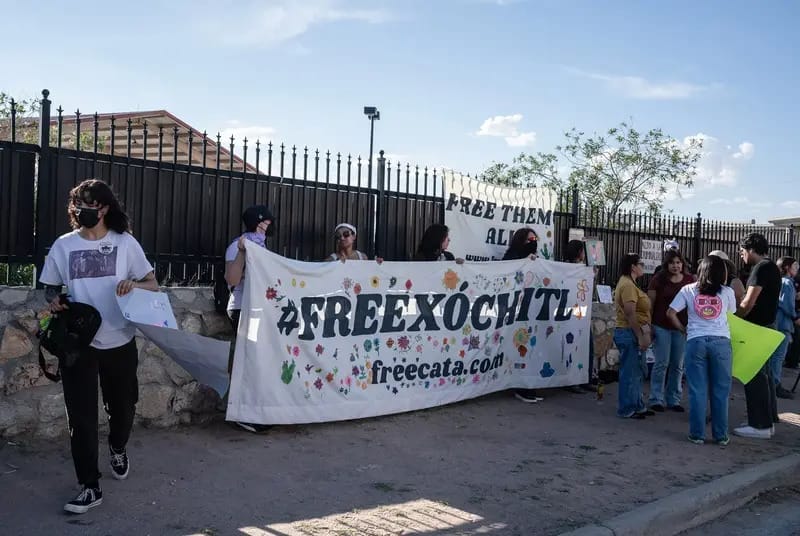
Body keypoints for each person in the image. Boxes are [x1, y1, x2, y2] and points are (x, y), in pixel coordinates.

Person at [39, 179, 158, 514]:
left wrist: (133, 284)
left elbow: (153, 283)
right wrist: (54, 300)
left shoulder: (125, 242)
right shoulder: (63, 246)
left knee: (123, 408)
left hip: (120, 339)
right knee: (81, 417)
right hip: (79, 341)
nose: (82, 210)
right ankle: (89, 485)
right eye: (77, 204)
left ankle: (117, 447)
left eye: (89, 204)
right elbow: (49, 288)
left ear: (104, 208)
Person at [666, 255, 736, 445]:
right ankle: (721, 435)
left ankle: (697, 434)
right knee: (721, 391)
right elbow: (731, 314)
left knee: (697, 390)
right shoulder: (727, 292)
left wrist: (683, 329)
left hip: (695, 341)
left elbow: (670, 313)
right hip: (721, 342)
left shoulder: (688, 289)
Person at [224, 204, 275, 433]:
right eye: (264, 222)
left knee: (259, 360)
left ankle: (255, 410)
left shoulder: (263, 248)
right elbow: (232, 280)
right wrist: (243, 252)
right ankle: (243, 413)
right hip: (242, 308)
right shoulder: (237, 245)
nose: (268, 226)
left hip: (259, 310)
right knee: (249, 360)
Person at [734, 233, 781, 439]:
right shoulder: (772, 267)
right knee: (765, 376)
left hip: (756, 328)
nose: (741, 255)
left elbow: (748, 303)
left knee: (753, 376)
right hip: (767, 326)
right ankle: (768, 421)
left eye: (742, 251)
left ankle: (759, 425)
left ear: (751, 249)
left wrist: (733, 319)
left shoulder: (760, 268)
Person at [647, 249, 695, 412]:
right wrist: (649, 325)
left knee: (677, 365)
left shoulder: (689, 280)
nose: (675, 266)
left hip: (681, 328)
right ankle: (656, 398)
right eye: (672, 263)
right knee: (661, 363)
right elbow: (650, 304)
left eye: (678, 262)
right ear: (666, 264)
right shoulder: (658, 279)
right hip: (661, 326)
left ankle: (673, 399)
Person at [501, 228, 544, 402]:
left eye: (535, 239)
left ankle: (529, 385)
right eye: (529, 240)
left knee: (530, 349)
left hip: (531, 311)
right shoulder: (511, 257)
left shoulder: (536, 260)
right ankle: (520, 386)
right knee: (518, 348)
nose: (533, 243)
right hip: (515, 311)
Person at [613, 253, 654, 419]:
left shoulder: (630, 284)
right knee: (630, 372)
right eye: (640, 264)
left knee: (637, 370)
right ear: (633, 267)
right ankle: (627, 407)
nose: (643, 266)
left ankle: (637, 404)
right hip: (629, 332)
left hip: (633, 331)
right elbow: (630, 313)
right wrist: (639, 335)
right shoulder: (628, 286)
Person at [771, 257, 799, 398]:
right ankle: (775, 384)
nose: (797, 269)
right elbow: (787, 305)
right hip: (783, 323)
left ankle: (773, 383)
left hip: (777, 322)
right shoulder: (787, 283)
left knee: (775, 356)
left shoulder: (779, 281)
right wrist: (796, 317)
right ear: (787, 267)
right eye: (795, 266)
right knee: (778, 356)